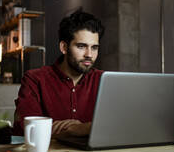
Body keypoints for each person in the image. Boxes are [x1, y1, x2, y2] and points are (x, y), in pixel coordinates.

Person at [13, 9, 105, 137]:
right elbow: (25, 129)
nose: (89, 54)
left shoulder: (103, 80)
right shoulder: (35, 79)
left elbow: (118, 126)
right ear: (64, 47)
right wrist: (78, 129)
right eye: (81, 46)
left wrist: (81, 128)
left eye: (94, 47)